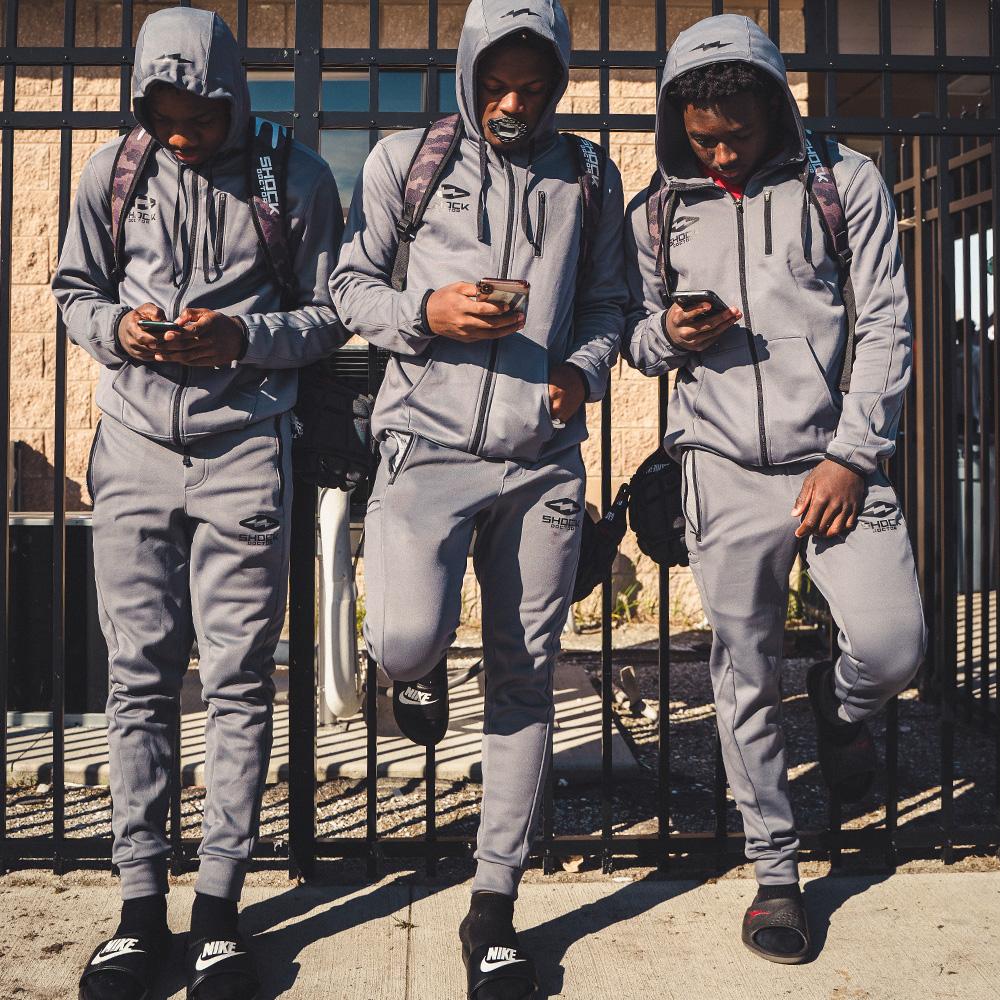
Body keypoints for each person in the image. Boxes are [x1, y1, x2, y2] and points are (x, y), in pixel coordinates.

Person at [330, 1, 625, 995]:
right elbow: (348, 283)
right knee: (407, 637)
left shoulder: (586, 173)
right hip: (423, 446)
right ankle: (407, 675)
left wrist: (581, 372)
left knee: (523, 677)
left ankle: (493, 904)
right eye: (494, 84)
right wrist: (427, 312)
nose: (511, 104)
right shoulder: (402, 163)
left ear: (556, 83)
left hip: (541, 460)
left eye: (531, 89)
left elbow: (609, 302)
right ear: (465, 71)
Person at [52, 8, 346, 999]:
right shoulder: (116, 170)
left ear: (233, 95)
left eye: (200, 116)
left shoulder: (293, 177)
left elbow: (328, 312)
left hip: (243, 452)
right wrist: (121, 332)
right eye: (164, 115)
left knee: (236, 678)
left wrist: (243, 339)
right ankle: (139, 907)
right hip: (132, 452)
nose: (182, 135)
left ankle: (218, 906)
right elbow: (72, 287)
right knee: (136, 676)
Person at [624, 14, 926, 964]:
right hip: (718, 465)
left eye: (739, 134)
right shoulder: (658, 210)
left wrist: (852, 452)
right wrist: (672, 336)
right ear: (679, 123)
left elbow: (884, 323)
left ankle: (842, 711)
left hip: (833, 459)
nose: (721, 151)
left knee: (894, 644)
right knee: (742, 673)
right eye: (703, 136)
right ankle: (775, 876)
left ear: (775, 110)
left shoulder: (847, 182)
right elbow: (630, 336)